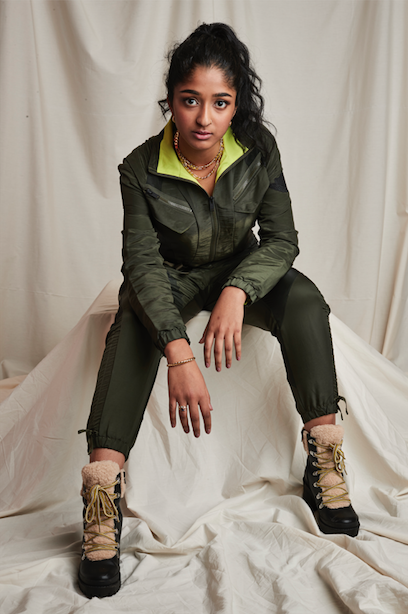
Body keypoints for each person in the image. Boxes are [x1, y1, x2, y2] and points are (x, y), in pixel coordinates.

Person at [77, 22, 360, 599]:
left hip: (242, 268)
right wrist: (179, 353)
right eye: (190, 101)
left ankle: (325, 458)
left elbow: (281, 239)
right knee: (133, 320)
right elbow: (143, 266)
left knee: (305, 299)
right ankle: (103, 498)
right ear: (172, 102)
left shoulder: (259, 150)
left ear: (236, 106)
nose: (204, 118)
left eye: (220, 102)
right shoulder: (139, 169)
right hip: (174, 281)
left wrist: (238, 291)